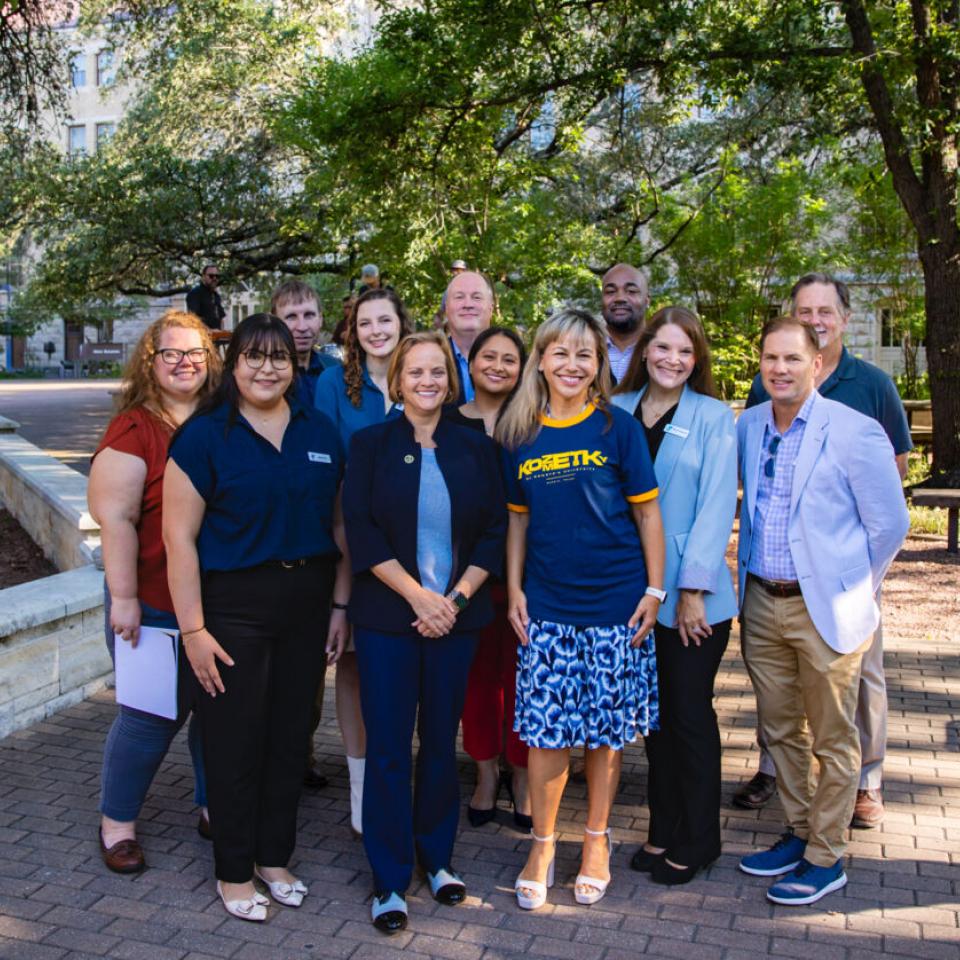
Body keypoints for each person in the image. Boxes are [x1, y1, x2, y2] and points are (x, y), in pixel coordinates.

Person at [163, 314, 350, 922]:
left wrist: (340, 605)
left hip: (307, 603)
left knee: (288, 739)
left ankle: (274, 858)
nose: (267, 368)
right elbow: (179, 541)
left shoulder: (320, 429)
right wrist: (193, 629)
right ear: (233, 363)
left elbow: (342, 527)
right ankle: (235, 871)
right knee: (235, 743)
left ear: (295, 366)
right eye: (254, 356)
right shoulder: (203, 437)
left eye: (279, 357)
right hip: (233, 610)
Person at [736, 316, 908, 906]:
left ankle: (826, 855)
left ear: (817, 363)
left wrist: (853, 587)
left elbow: (891, 524)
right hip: (761, 601)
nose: (779, 369)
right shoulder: (751, 424)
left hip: (827, 609)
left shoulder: (855, 430)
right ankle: (800, 828)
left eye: (791, 359)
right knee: (781, 729)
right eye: (769, 359)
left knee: (834, 738)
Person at [497, 308, 665, 910]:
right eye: (561, 353)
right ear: (541, 358)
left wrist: (654, 591)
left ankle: (596, 840)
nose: (572, 364)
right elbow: (516, 525)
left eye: (585, 355)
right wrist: (514, 590)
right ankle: (542, 844)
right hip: (546, 604)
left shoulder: (617, 429)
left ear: (600, 367)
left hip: (616, 605)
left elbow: (647, 514)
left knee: (604, 734)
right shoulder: (519, 434)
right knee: (546, 734)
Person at [342, 330, 506, 934]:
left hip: (457, 622)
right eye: (416, 372)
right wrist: (419, 597)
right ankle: (388, 879)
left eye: (438, 371)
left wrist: (455, 599)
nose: (428, 381)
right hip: (390, 621)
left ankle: (436, 860)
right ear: (398, 380)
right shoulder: (369, 445)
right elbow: (361, 530)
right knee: (388, 749)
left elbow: (493, 532)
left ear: (450, 379)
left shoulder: (477, 446)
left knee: (440, 745)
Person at [89, 310, 221, 874]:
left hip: (219, 601)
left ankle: (215, 805)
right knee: (148, 718)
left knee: (217, 711)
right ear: (152, 361)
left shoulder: (223, 418)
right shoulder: (136, 428)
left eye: (194, 353)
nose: (184, 362)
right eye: (171, 353)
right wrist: (124, 598)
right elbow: (116, 520)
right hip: (149, 599)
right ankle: (117, 824)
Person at [611, 307, 738, 885]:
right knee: (654, 722)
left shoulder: (714, 417)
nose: (672, 360)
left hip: (693, 599)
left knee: (688, 717)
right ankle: (662, 829)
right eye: (662, 348)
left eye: (685, 351)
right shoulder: (614, 410)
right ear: (644, 351)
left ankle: (698, 839)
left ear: (697, 359)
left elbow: (716, 505)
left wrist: (691, 591)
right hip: (630, 593)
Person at [313, 288, 413, 834]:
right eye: (365, 322)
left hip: (414, 548)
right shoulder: (334, 384)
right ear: (353, 330)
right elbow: (329, 469)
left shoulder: (422, 370)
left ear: (401, 324)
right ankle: (360, 781)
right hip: (352, 542)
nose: (377, 330)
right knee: (351, 663)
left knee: (403, 667)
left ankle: (397, 775)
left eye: (386, 320)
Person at [445, 327, 531, 828]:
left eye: (509, 359)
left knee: (522, 678)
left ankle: (520, 774)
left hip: (526, 571)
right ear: (470, 364)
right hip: (463, 575)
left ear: (522, 369)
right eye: (487, 357)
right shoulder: (449, 422)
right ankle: (484, 775)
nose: (498, 366)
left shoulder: (534, 423)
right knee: (477, 680)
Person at [272, 279, 340, 412]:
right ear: (274, 322)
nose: (302, 327)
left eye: (309, 315)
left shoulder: (336, 368)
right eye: (291, 317)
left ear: (320, 320)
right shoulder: (265, 376)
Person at [444, 270, 495, 403]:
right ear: (446, 309)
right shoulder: (429, 360)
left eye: (477, 297)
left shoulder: (517, 364)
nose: (468, 304)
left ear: (491, 308)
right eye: (459, 297)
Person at [600, 263, 649, 383]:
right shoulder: (586, 347)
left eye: (631, 291)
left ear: (647, 301)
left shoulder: (662, 350)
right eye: (610, 291)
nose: (620, 298)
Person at [186, 264, 226, 331]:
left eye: (217, 276)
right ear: (203, 277)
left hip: (216, 338)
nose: (214, 278)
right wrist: (209, 331)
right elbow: (193, 318)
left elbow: (221, 318)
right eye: (211, 276)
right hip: (200, 338)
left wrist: (221, 334)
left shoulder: (216, 295)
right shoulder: (195, 293)